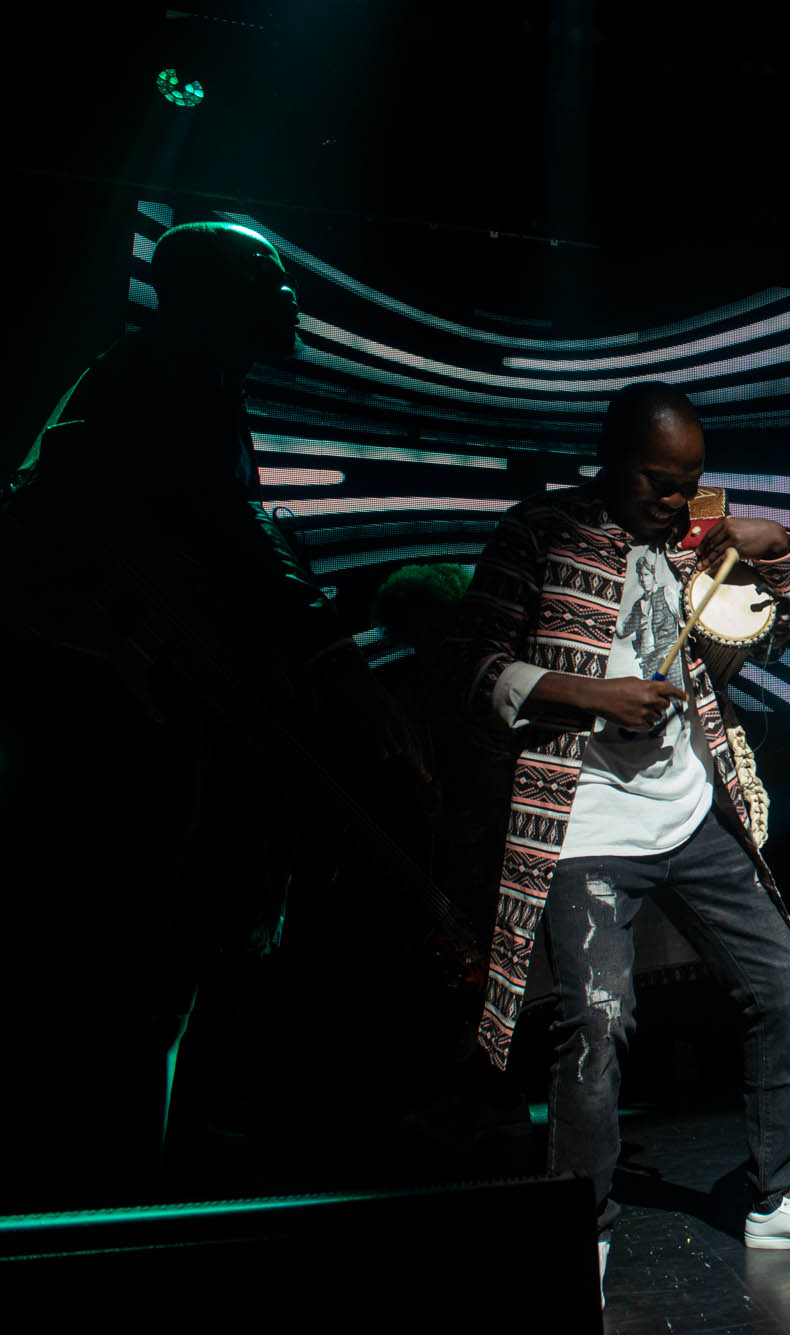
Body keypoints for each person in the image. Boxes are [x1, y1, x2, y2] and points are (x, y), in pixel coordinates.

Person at [0, 221, 419, 1210]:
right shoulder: (167, 385)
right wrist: (346, 677)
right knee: (126, 974)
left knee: (138, 978)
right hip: (107, 730)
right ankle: (105, 1202)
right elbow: (238, 552)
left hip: (116, 718)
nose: (291, 298)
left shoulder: (173, 386)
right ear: (210, 295)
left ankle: (118, 1189)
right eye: (269, 278)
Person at [444, 382, 790, 1286]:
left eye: (690, 484)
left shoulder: (692, 543)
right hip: (587, 818)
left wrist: (777, 554)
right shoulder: (538, 533)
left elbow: (768, 638)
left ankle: (777, 1197)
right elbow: (471, 666)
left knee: (775, 983)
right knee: (598, 1021)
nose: (676, 502)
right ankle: (582, 1225)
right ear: (609, 458)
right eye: (658, 481)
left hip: (689, 809)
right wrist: (593, 695)